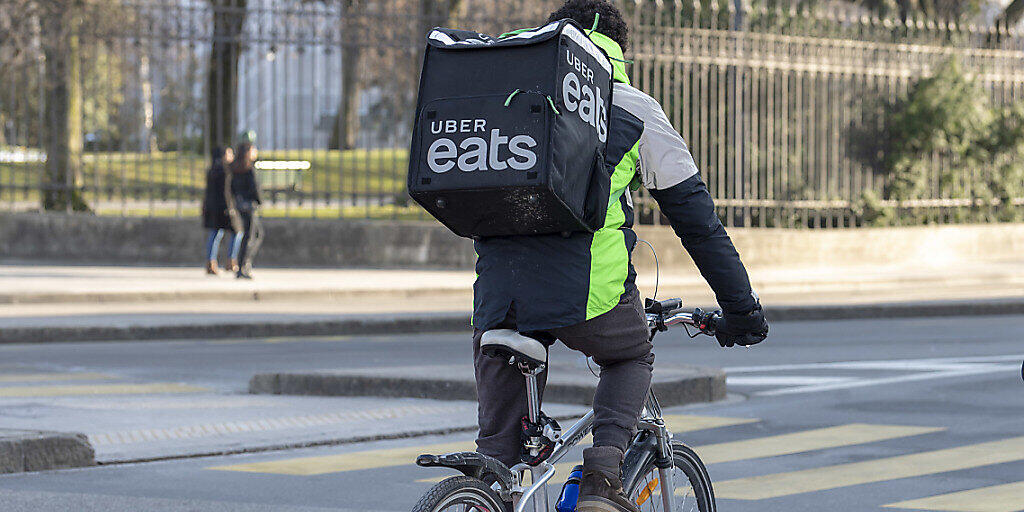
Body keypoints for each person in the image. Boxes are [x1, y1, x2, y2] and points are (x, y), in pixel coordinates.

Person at [472, 2, 769, 511]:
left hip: (498, 295)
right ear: (615, 51)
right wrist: (741, 311)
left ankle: (480, 488)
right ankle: (603, 477)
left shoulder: (507, 97)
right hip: (588, 294)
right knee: (630, 355)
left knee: (501, 463)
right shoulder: (631, 106)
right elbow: (699, 225)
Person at [226, 141, 262, 279]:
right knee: (251, 236)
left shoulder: (235, 168)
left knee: (253, 234)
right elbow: (255, 189)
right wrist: (259, 201)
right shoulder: (248, 169)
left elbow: (232, 188)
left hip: (240, 205)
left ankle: (243, 264)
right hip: (249, 206)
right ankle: (244, 264)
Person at [201, 146, 235, 275]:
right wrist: (229, 208)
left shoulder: (212, 170)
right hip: (222, 207)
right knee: (223, 233)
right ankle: (228, 260)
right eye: (229, 153)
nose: (231, 155)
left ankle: (211, 262)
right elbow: (225, 192)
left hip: (211, 206)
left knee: (215, 234)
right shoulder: (224, 170)